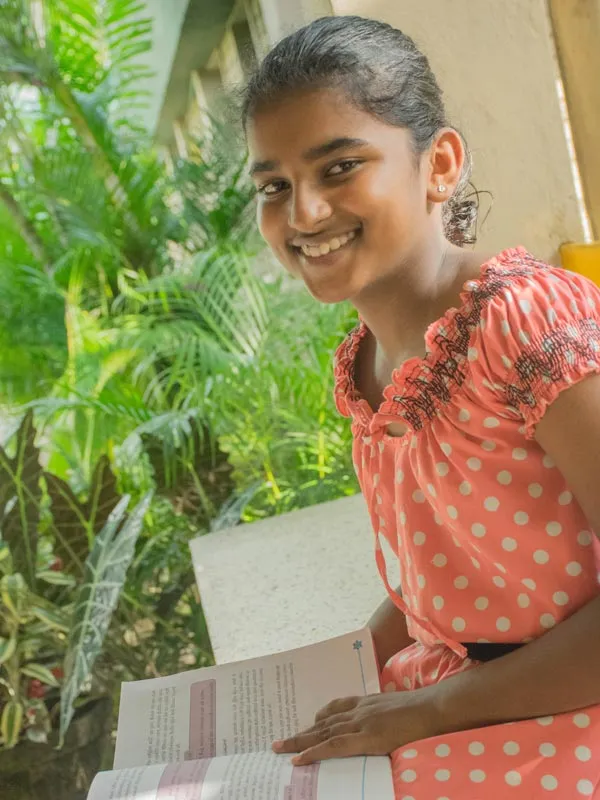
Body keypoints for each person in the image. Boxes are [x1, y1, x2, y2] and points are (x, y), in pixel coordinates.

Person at [241, 15, 600, 799]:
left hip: (568, 711)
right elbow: (435, 589)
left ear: (439, 165)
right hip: (459, 696)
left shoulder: (526, 325)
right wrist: (331, 678)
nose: (303, 213)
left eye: (339, 167)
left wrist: (428, 711)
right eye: (274, 186)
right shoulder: (366, 362)